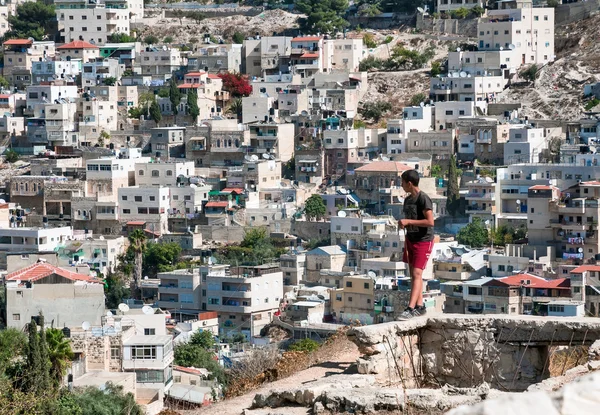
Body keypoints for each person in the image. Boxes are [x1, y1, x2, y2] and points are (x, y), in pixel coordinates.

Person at [397, 169, 435, 320]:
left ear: (409, 183)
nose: (402, 185)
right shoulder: (408, 200)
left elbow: (430, 222)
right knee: (413, 274)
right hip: (411, 239)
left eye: (403, 182)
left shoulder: (423, 199)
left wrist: (409, 222)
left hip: (423, 240)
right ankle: (420, 306)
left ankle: (410, 308)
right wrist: (404, 225)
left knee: (417, 274)